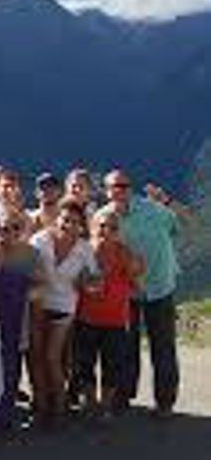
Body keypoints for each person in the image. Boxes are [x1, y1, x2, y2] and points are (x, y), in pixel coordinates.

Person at [105, 170, 188, 418]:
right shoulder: (103, 217)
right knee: (125, 346)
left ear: (131, 189)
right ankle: (123, 397)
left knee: (162, 347)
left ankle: (165, 402)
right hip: (127, 291)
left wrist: (167, 201)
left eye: (123, 186)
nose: (118, 191)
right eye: (113, 186)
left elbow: (183, 223)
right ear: (106, 191)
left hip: (159, 287)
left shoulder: (153, 209)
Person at [29, 199, 98, 424]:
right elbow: (27, 268)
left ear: (81, 225)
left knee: (52, 357)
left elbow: (95, 282)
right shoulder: (39, 240)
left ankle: (60, 407)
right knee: (36, 357)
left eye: (75, 222)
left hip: (64, 306)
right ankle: (41, 406)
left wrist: (86, 283)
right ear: (56, 218)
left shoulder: (84, 249)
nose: (69, 225)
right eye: (65, 219)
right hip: (37, 304)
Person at [73, 208, 144, 419]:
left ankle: (105, 406)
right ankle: (90, 403)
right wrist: (85, 283)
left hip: (115, 319)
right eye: (102, 226)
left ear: (118, 231)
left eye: (113, 228)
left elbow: (137, 278)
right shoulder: (82, 250)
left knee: (112, 366)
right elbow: (73, 281)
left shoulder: (124, 252)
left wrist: (134, 270)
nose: (107, 231)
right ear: (92, 227)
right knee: (84, 363)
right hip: (86, 317)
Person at [0, 208, 46, 416]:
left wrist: (22, 293)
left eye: (15, 228)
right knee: (2, 366)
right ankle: (4, 408)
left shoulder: (32, 254)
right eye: (4, 228)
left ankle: (40, 406)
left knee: (29, 364)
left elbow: (41, 285)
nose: (10, 233)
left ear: (23, 229)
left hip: (24, 319)